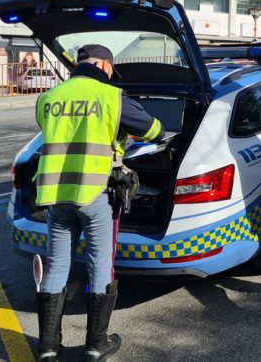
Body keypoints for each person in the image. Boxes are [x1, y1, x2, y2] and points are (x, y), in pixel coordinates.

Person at [34, 44, 165, 361]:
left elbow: (55, 133)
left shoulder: (48, 98)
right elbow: (154, 130)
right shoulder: (111, 96)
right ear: (104, 65)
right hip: (94, 194)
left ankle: (48, 348)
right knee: (99, 264)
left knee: (57, 265)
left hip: (55, 196)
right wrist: (122, 136)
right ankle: (96, 345)